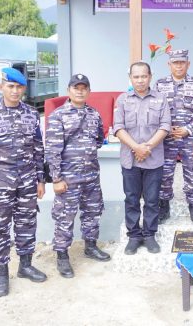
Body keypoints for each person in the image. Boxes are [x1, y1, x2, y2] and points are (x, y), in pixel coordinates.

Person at [0, 67, 47, 297]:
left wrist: (40, 180)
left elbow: (38, 150)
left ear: (24, 89)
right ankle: (1, 274)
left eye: (19, 87)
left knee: (27, 224)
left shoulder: (32, 114)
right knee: (0, 228)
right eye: (10, 86)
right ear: (1, 87)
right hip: (0, 183)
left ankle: (25, 266)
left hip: (27, 181)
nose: (15, 91)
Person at [45, 74, 111, 279]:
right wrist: (56, 179)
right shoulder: (58, 116)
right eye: (76, 87)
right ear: (69, 90)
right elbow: (52, 150)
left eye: (84, 88)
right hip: (68, 177)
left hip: (91, 175)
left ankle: (90, 246)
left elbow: (99, 140)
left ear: (89, 91)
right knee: (65, 217)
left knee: (93, 213)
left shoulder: (94, 114)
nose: (80, 91)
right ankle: (62, 256)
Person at [114, 62, 171, 255]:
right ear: (130, 77)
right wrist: (136, 147)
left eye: (143, 76)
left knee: (152, 199)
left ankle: (149, 235)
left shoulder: (161, 99)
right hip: (130, 159)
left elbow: (165, 126)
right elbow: (118, 128)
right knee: (131, 199)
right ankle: (134, 236)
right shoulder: (122, 100)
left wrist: (147, 147)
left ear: (150, 76)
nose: (140, 80)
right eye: (136, 77)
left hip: (153, 158)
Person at [154, 49, 193, 225]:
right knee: (164, 173)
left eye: (182, 62)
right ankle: (164, 206)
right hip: (166, 138)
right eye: (175, 62)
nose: (178, 65)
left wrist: (188, 129)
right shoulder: (159, 84)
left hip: (189, 138)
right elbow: (154, 110)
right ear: (169, 64)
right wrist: (165, 128)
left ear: (188, 64)